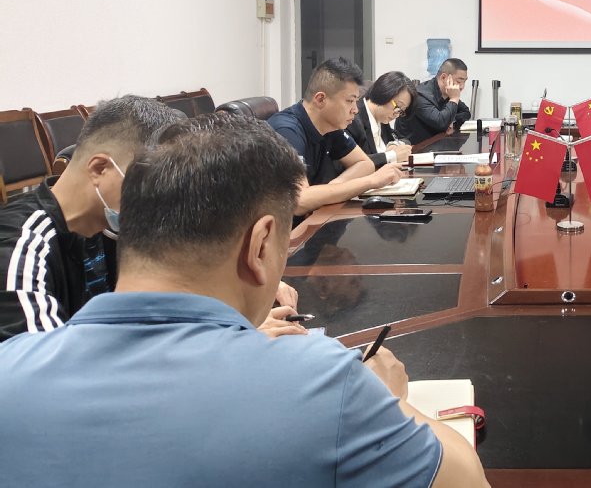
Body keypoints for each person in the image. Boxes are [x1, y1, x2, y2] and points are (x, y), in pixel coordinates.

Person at [0, 113, 490, 487]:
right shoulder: (324, 386)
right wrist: (389, 400)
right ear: (260, 246)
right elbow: (467, 478)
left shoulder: (10, 368)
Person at [0, 95, 182, 342]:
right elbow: (40, 360)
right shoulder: (20, 246)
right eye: (150, 184)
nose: (156, 200)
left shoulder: (109, 228)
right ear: (99, 169)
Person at [269, 57, 405, 217]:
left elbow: (365, 164)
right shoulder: (286, 130)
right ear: (321, 99)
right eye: (349, 101)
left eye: (356, 101)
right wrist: (371, 181)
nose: (355, 110)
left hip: (316, 217)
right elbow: (299, 201)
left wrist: (331, 189)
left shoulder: (331, 125)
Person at [395, 58, 471, 145]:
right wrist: (454, 99)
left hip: (436, 143)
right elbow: (441, 123)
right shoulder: (420, 95)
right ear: (443, 77)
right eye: (459, 81)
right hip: (413, 147)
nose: (462, 86)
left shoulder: (447, 93)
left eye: (464, 81)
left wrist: (451, 120)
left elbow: (465, 112)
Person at [348, 71, 416, 168]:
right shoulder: (352, 119)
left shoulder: (382, 118)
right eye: (398, 106)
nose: (397, 115)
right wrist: (391, 155)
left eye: (401, 111)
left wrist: (395, 145)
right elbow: (352, 162)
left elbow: (403, 139)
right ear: (384, 93)